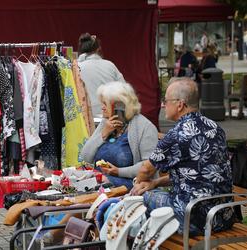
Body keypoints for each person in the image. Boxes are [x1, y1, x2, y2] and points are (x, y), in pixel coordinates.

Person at [131, 77, 234, 235]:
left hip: (194, 218)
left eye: (166, 100)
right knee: (153, 192)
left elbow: (145, 170)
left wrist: (139, 183)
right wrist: (155, 183)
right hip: (222, 216)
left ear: (180, 104)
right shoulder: (216, 128)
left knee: (138, 199)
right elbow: (195, 174)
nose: (163, 105)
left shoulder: (176, 135)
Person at [80, 81, 158, 190]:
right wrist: (103, 134)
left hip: (134, 185)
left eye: (105, 104)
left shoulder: (145, 127)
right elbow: (84, 156)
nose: (102, 107)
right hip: (101, 183)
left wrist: (118, 172)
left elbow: (150, 166)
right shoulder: (106, 123)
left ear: (119, 106)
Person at [77, 33, 125, 117]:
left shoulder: (77, 67)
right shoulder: (110, 65)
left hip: (85, 117)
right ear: (98, 49)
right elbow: (124, 90)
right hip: (109, 116)